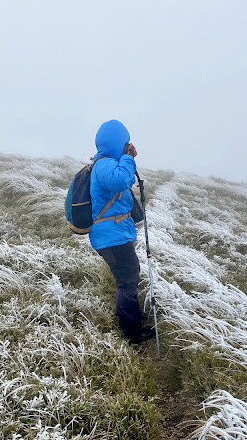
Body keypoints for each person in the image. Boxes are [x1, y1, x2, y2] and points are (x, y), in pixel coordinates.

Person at [89, 119, 155, 344]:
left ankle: (132, 317)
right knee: (127, 280)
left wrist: (127, 159)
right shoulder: (104, 165)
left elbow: (123, 181)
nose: (128, 146)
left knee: (129, 276)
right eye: (125, 143)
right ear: (116, 142)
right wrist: (128, 158)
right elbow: (120, 180)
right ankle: (131, 335)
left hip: (114, 234)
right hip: (111, 236)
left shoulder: (109, 164)